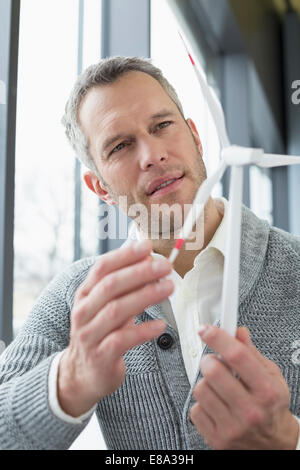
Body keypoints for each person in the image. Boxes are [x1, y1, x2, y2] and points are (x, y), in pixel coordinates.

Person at [1, 57, 300, 450]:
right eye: (121, 145)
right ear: (100, 187)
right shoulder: (78, 297)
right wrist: (70, 380)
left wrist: (287, 441)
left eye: (162, 126)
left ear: (195, 135)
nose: (152, 155)